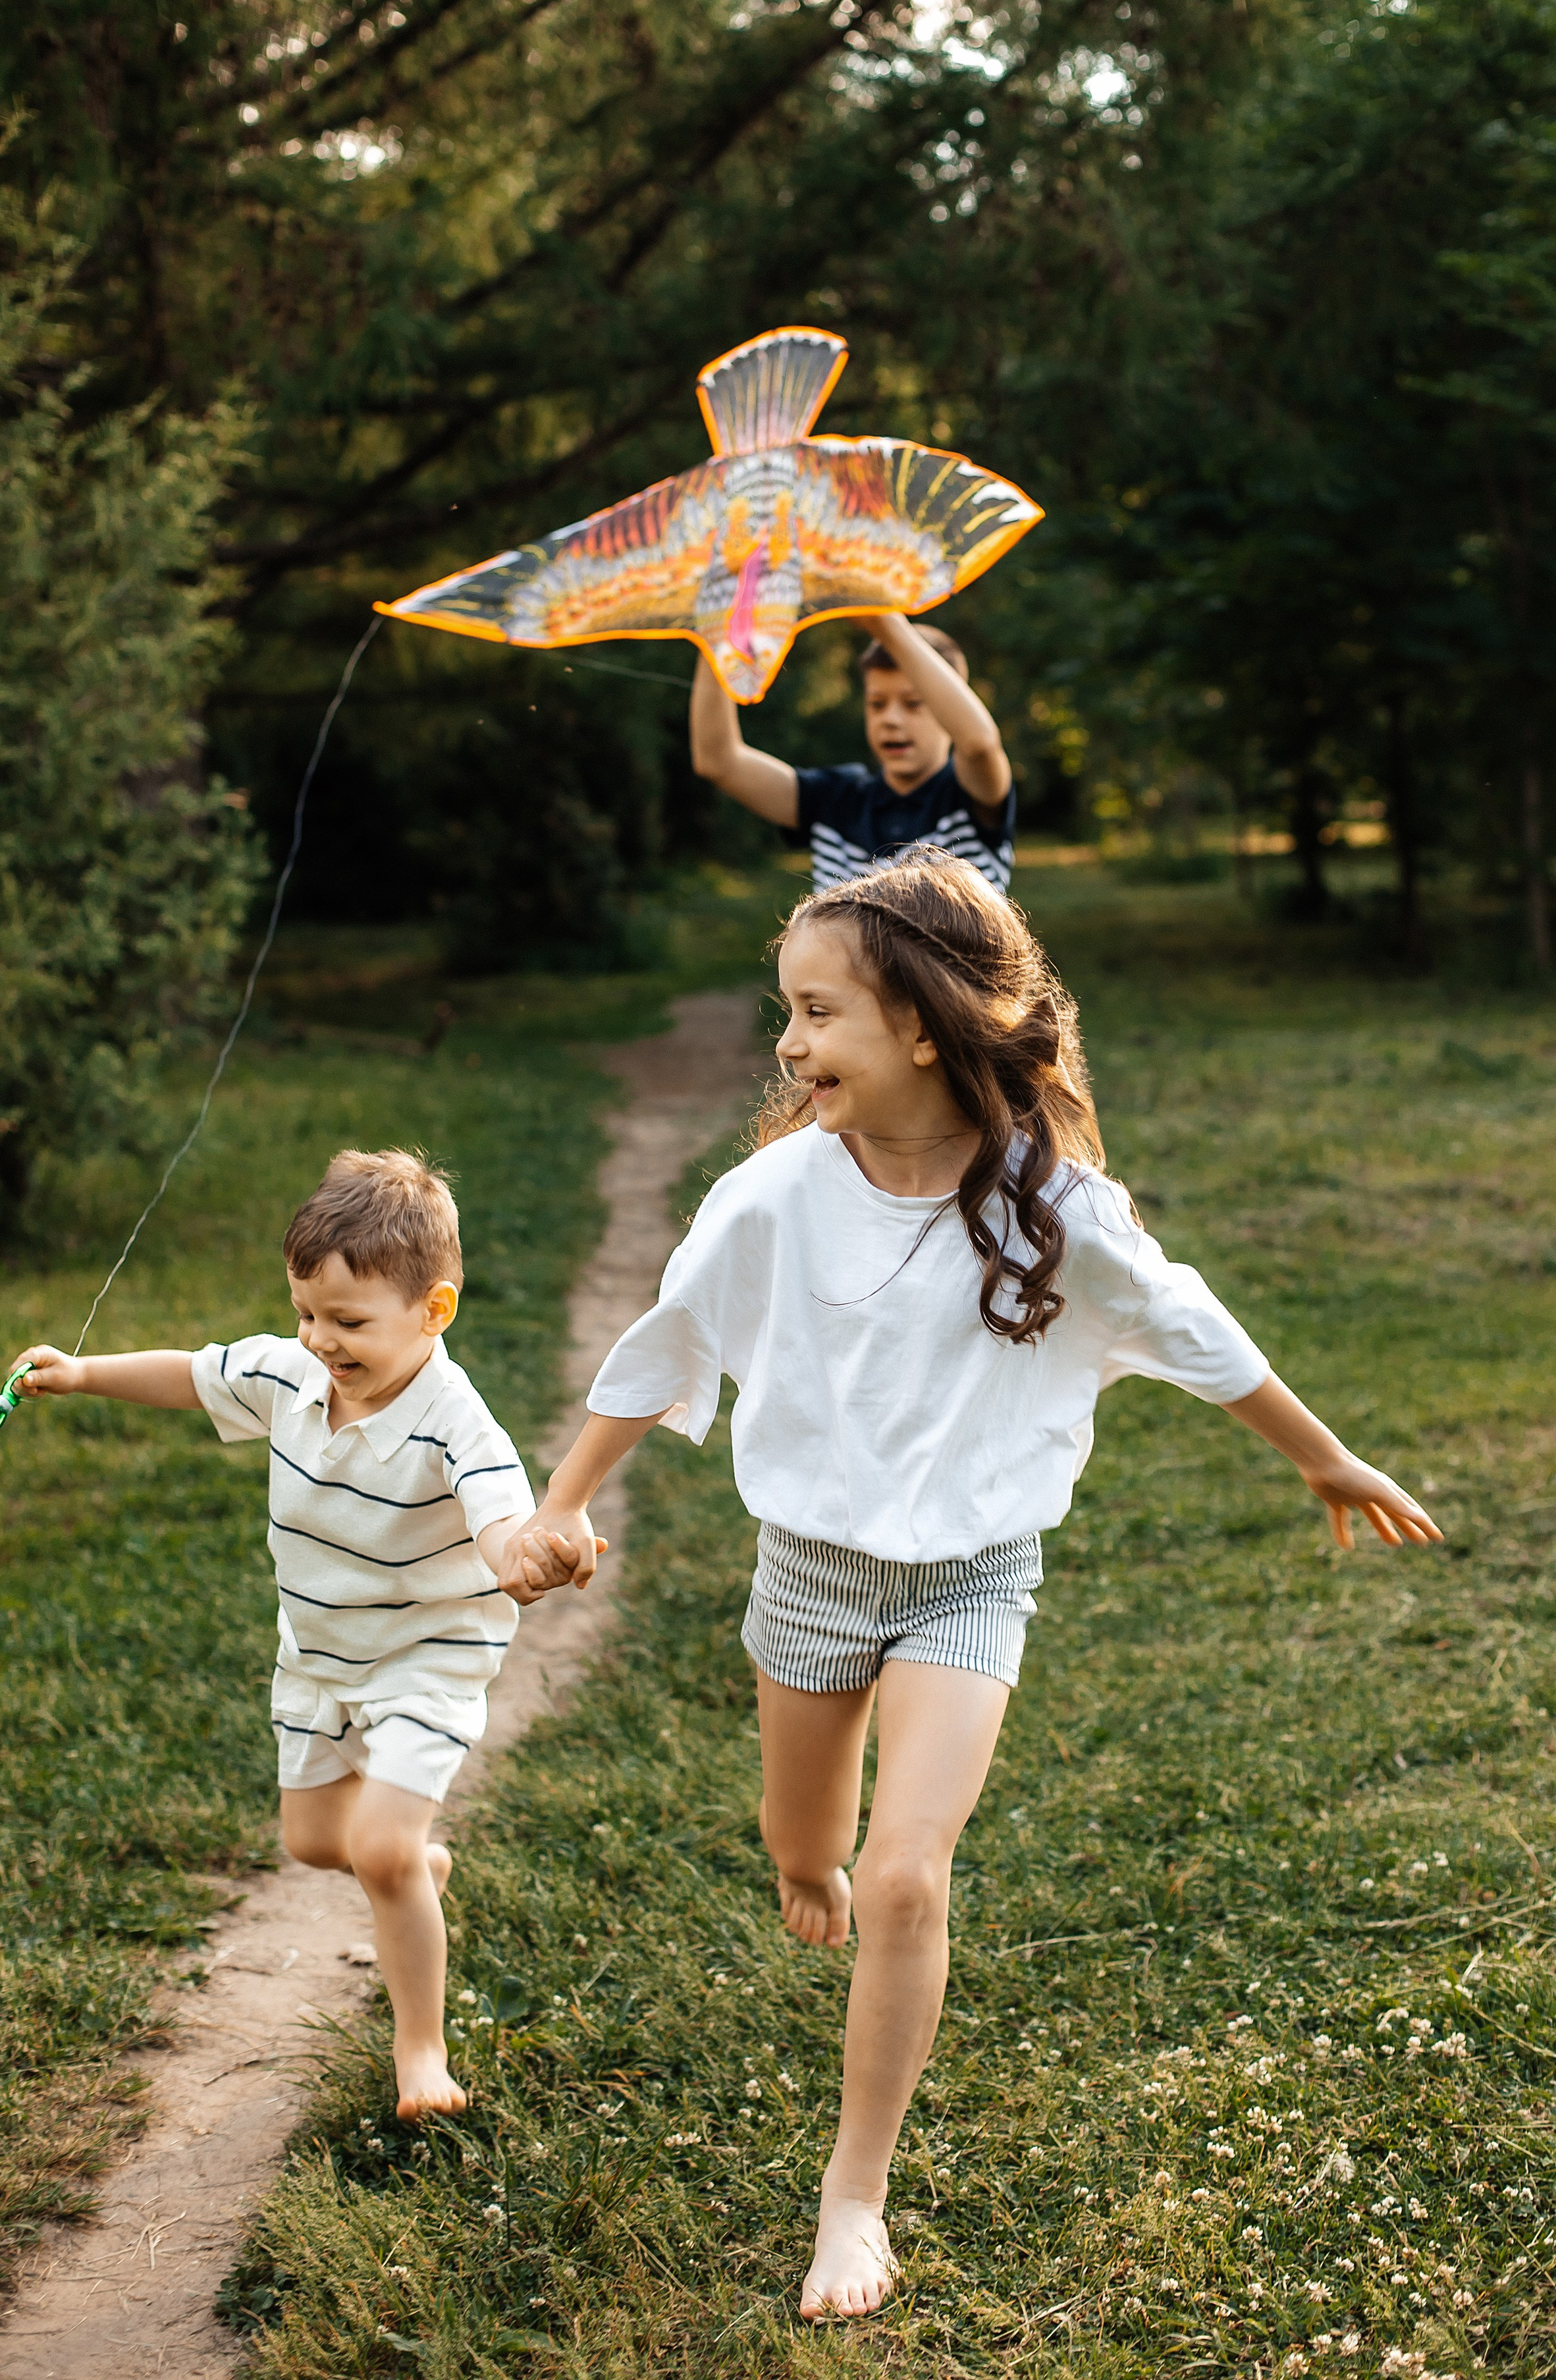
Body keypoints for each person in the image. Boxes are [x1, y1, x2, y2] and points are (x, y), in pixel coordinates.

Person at [495, 848, 1444, 2321]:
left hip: (969, 1583)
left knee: (905, 1876)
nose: (787, 1045)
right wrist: (559, 1501)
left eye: (818, 1016)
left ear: (923, 1028)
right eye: (785, 1014)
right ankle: (804, 1858)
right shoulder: (772, 1200)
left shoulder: (1051, 1205)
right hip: (810, 1575)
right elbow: (660, 1346)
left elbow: (1198, 1329)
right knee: (803, 1841)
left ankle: (852, 2199)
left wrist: (1321, 1460)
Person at [7, 1150, 596, 2120]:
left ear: (435, 1311)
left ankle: (421, 2052)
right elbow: (193, 1378)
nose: (322, 1339)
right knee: (318, 1842)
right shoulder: (290, 1375)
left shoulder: (460, 1428)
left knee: (377, 1845)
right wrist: (83, 1375)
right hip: (319, 1659)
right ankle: (411, 1864)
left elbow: (502, 1529)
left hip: (425, 1658)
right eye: (307, 1314)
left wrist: (533, 1558)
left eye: (350, 1322)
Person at [689, 609, 1016, 893]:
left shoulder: (969, 796)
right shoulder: (834, 799)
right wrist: (719, 638)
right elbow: (718, 760)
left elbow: (980, 744)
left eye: (915, 703)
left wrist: (886, 623)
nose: (890, 719)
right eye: (877, 704)